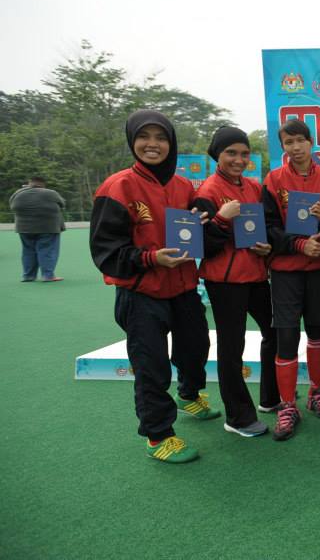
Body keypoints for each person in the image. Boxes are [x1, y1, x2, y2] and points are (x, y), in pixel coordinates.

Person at [89, 109, 219, 463]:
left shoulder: (182, 186)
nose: (153, 144)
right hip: (142, 294)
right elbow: (105, 253)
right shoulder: (118, 186)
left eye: (161, 138)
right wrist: (151, 259)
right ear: (132, 141)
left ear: (171, 143)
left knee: (196, 348)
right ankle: (158, 435)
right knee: (152, 367)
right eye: (144, 137)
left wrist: (204, 216)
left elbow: (198, 224)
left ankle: (189, 396)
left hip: (183, 288)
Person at [192, 126, 275, 437]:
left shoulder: (253, 187)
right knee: (232, 348)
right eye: (231, 153)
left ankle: (271, 397)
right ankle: (238, 417)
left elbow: (262, 229)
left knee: (276, 332)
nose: (239, 159)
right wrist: (221, 218)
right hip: (225, 282)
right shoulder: (207, 192)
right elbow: (202, 246)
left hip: (256, 276)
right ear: (217, 155)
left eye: (244, 153)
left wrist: (267, 248)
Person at [262, 118, 320, 441]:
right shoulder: (273, 180)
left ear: (311, 142)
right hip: (286, 271)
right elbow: (268, 227)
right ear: (283, 147)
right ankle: (287, 405)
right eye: (288, 142)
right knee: (287, 336)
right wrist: (298, 245)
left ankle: (317, 392)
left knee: (317, 331)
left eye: (299, 141)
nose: (295, 148)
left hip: (318, 269)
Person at [10, 176, 66, 282]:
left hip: (24, 228)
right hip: (48, 228)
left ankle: (28, 276)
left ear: (29, 183)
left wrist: (24, 189)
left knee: (28, 251)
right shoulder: (51, 193)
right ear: (43, 184)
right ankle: (48, 276)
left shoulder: (18, 193)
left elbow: (12, 205)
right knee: (47, 250)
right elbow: (62, 204)